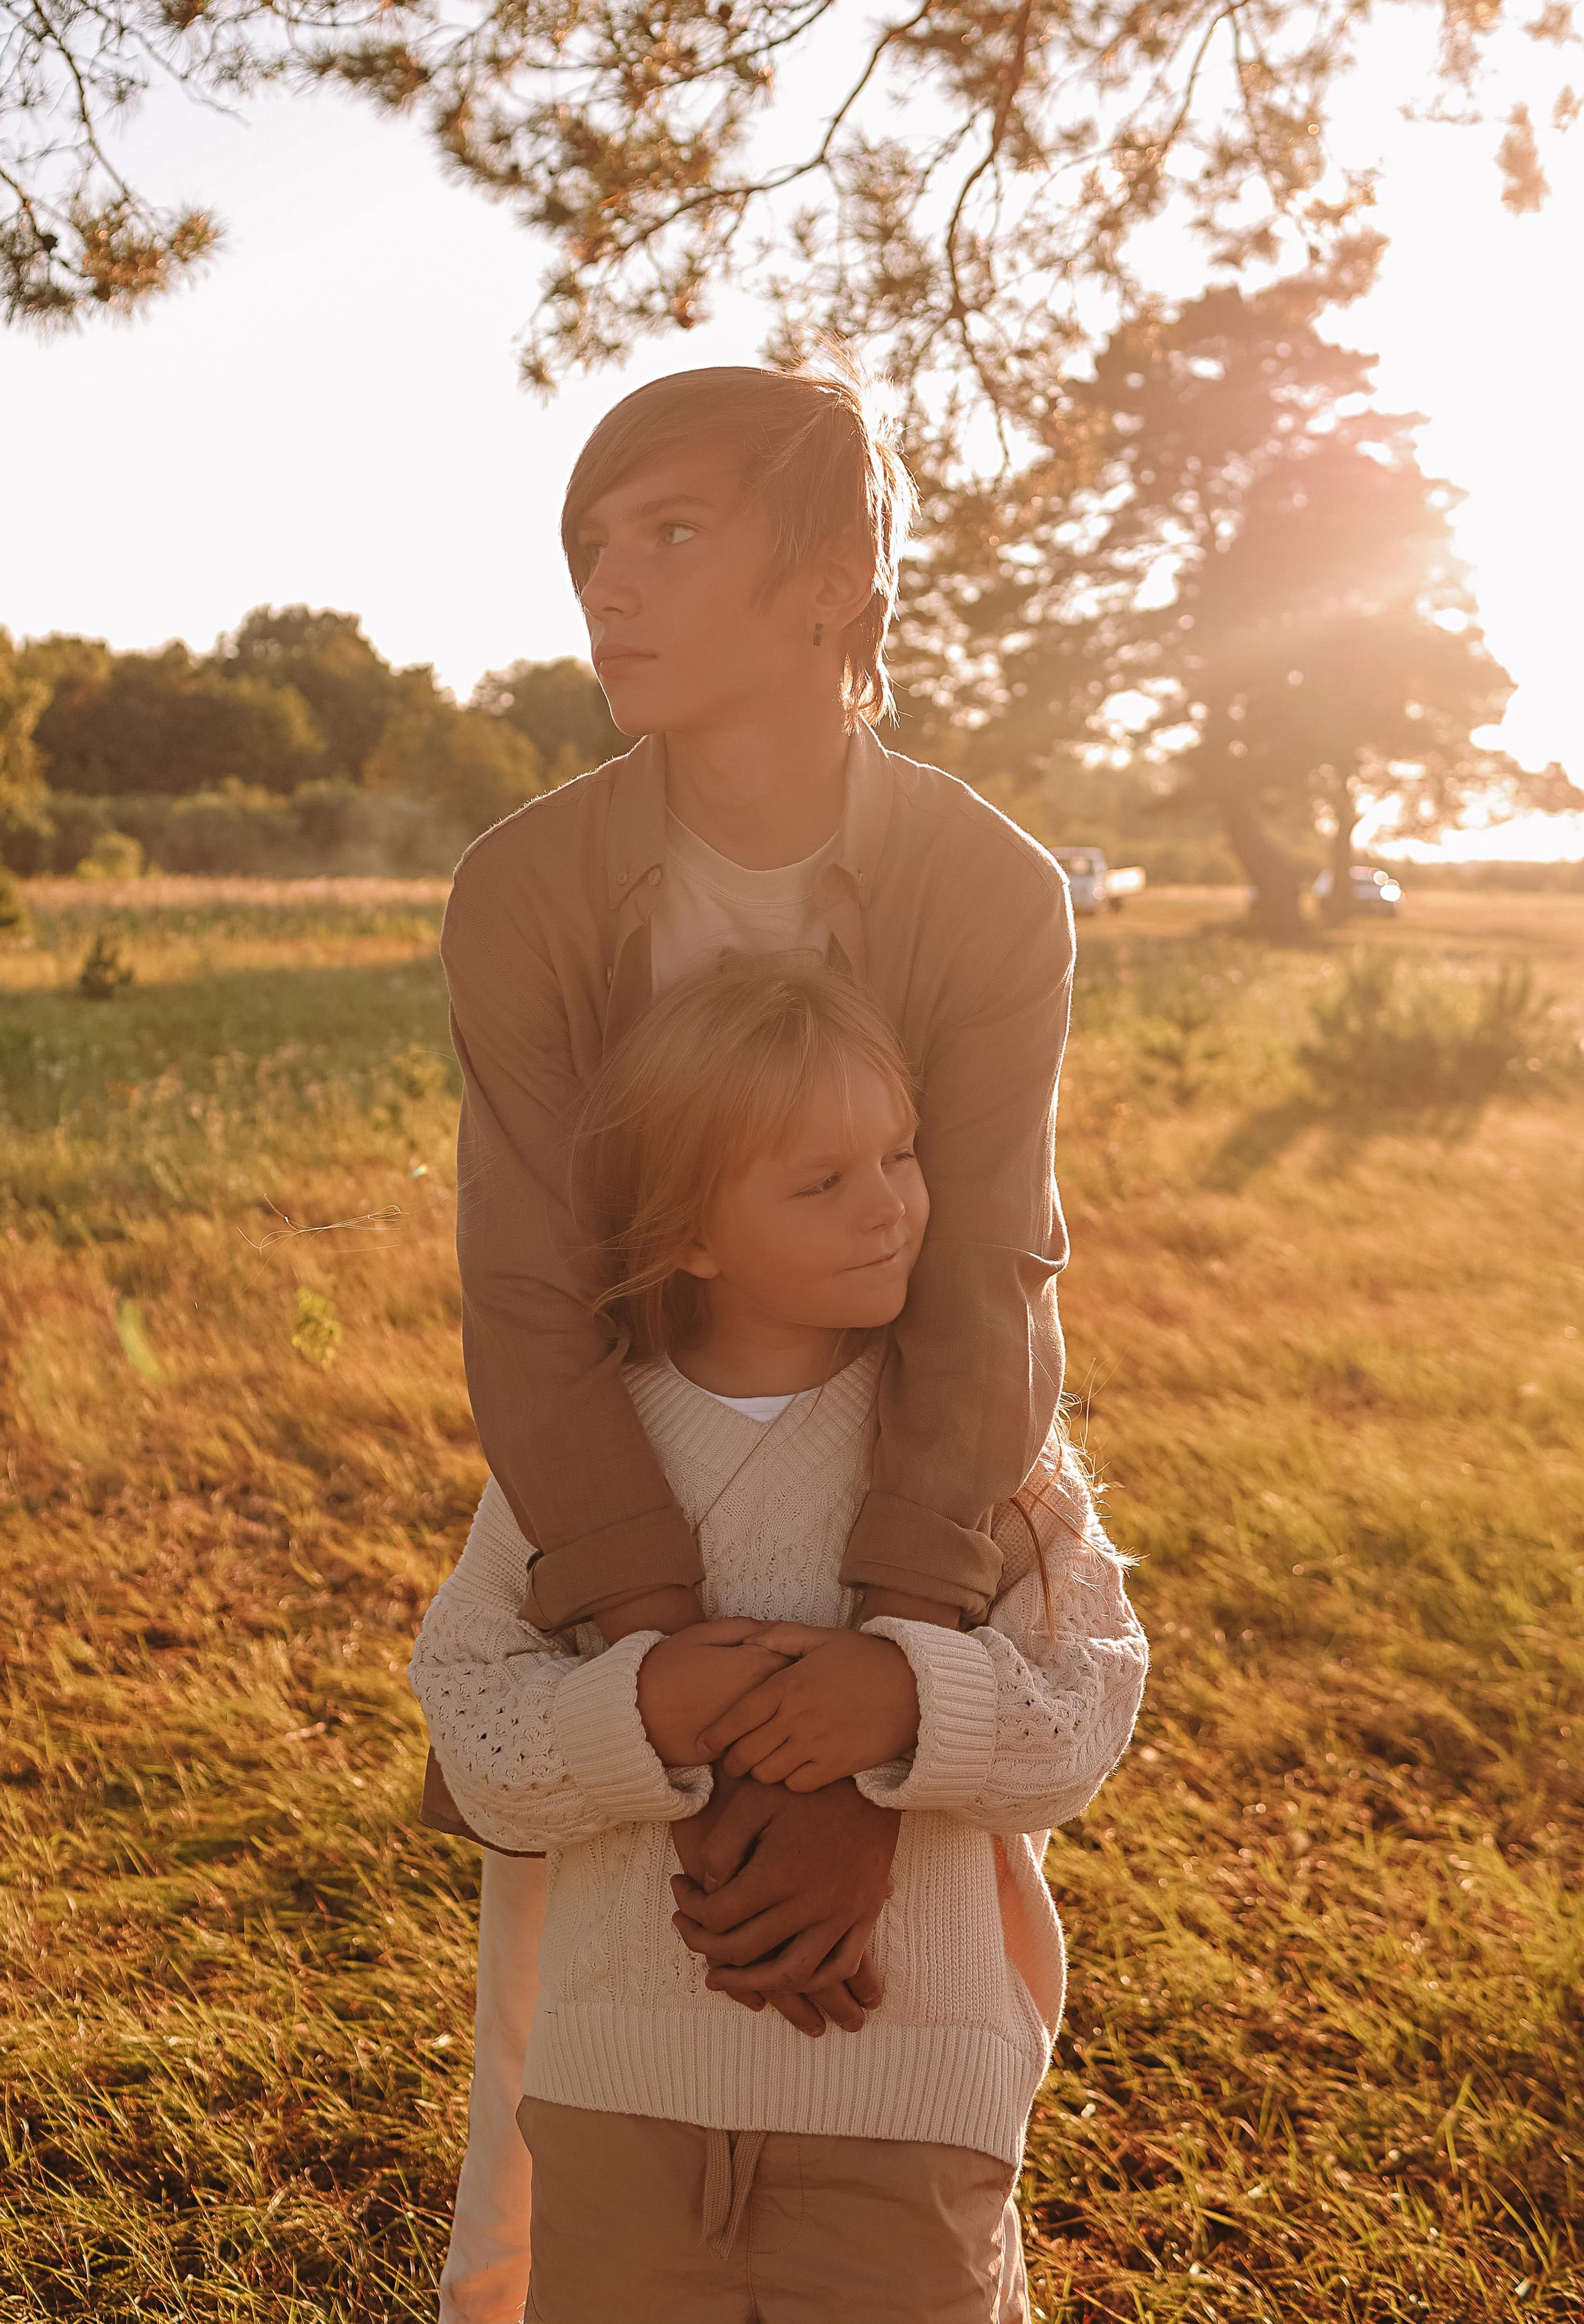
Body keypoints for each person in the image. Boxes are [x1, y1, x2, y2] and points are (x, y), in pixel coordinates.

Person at [426, 359, 1079, 2317]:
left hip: (913, 1515)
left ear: (835, 576)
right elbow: (528, 1291)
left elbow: (986, 1275)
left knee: (912, 2062)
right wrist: (675, 1695)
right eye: (589, 546)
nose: (606, 587)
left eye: (673, 533)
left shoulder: (985, 885)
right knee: (572, 2083)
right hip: (623, 1498)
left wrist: (881, 1717)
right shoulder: (527, 885)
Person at [412, 963, 1146, 2321]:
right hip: (617, 2105)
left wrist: (914, 1703)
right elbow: (470, 1726)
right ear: (689, 1233)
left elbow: (1088, 1706)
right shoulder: (580, 1459)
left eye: (901, 1153)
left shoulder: (985, 1446)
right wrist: (637, 1711)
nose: (889, 1204)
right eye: (822, 1182)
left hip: (908, 2109)